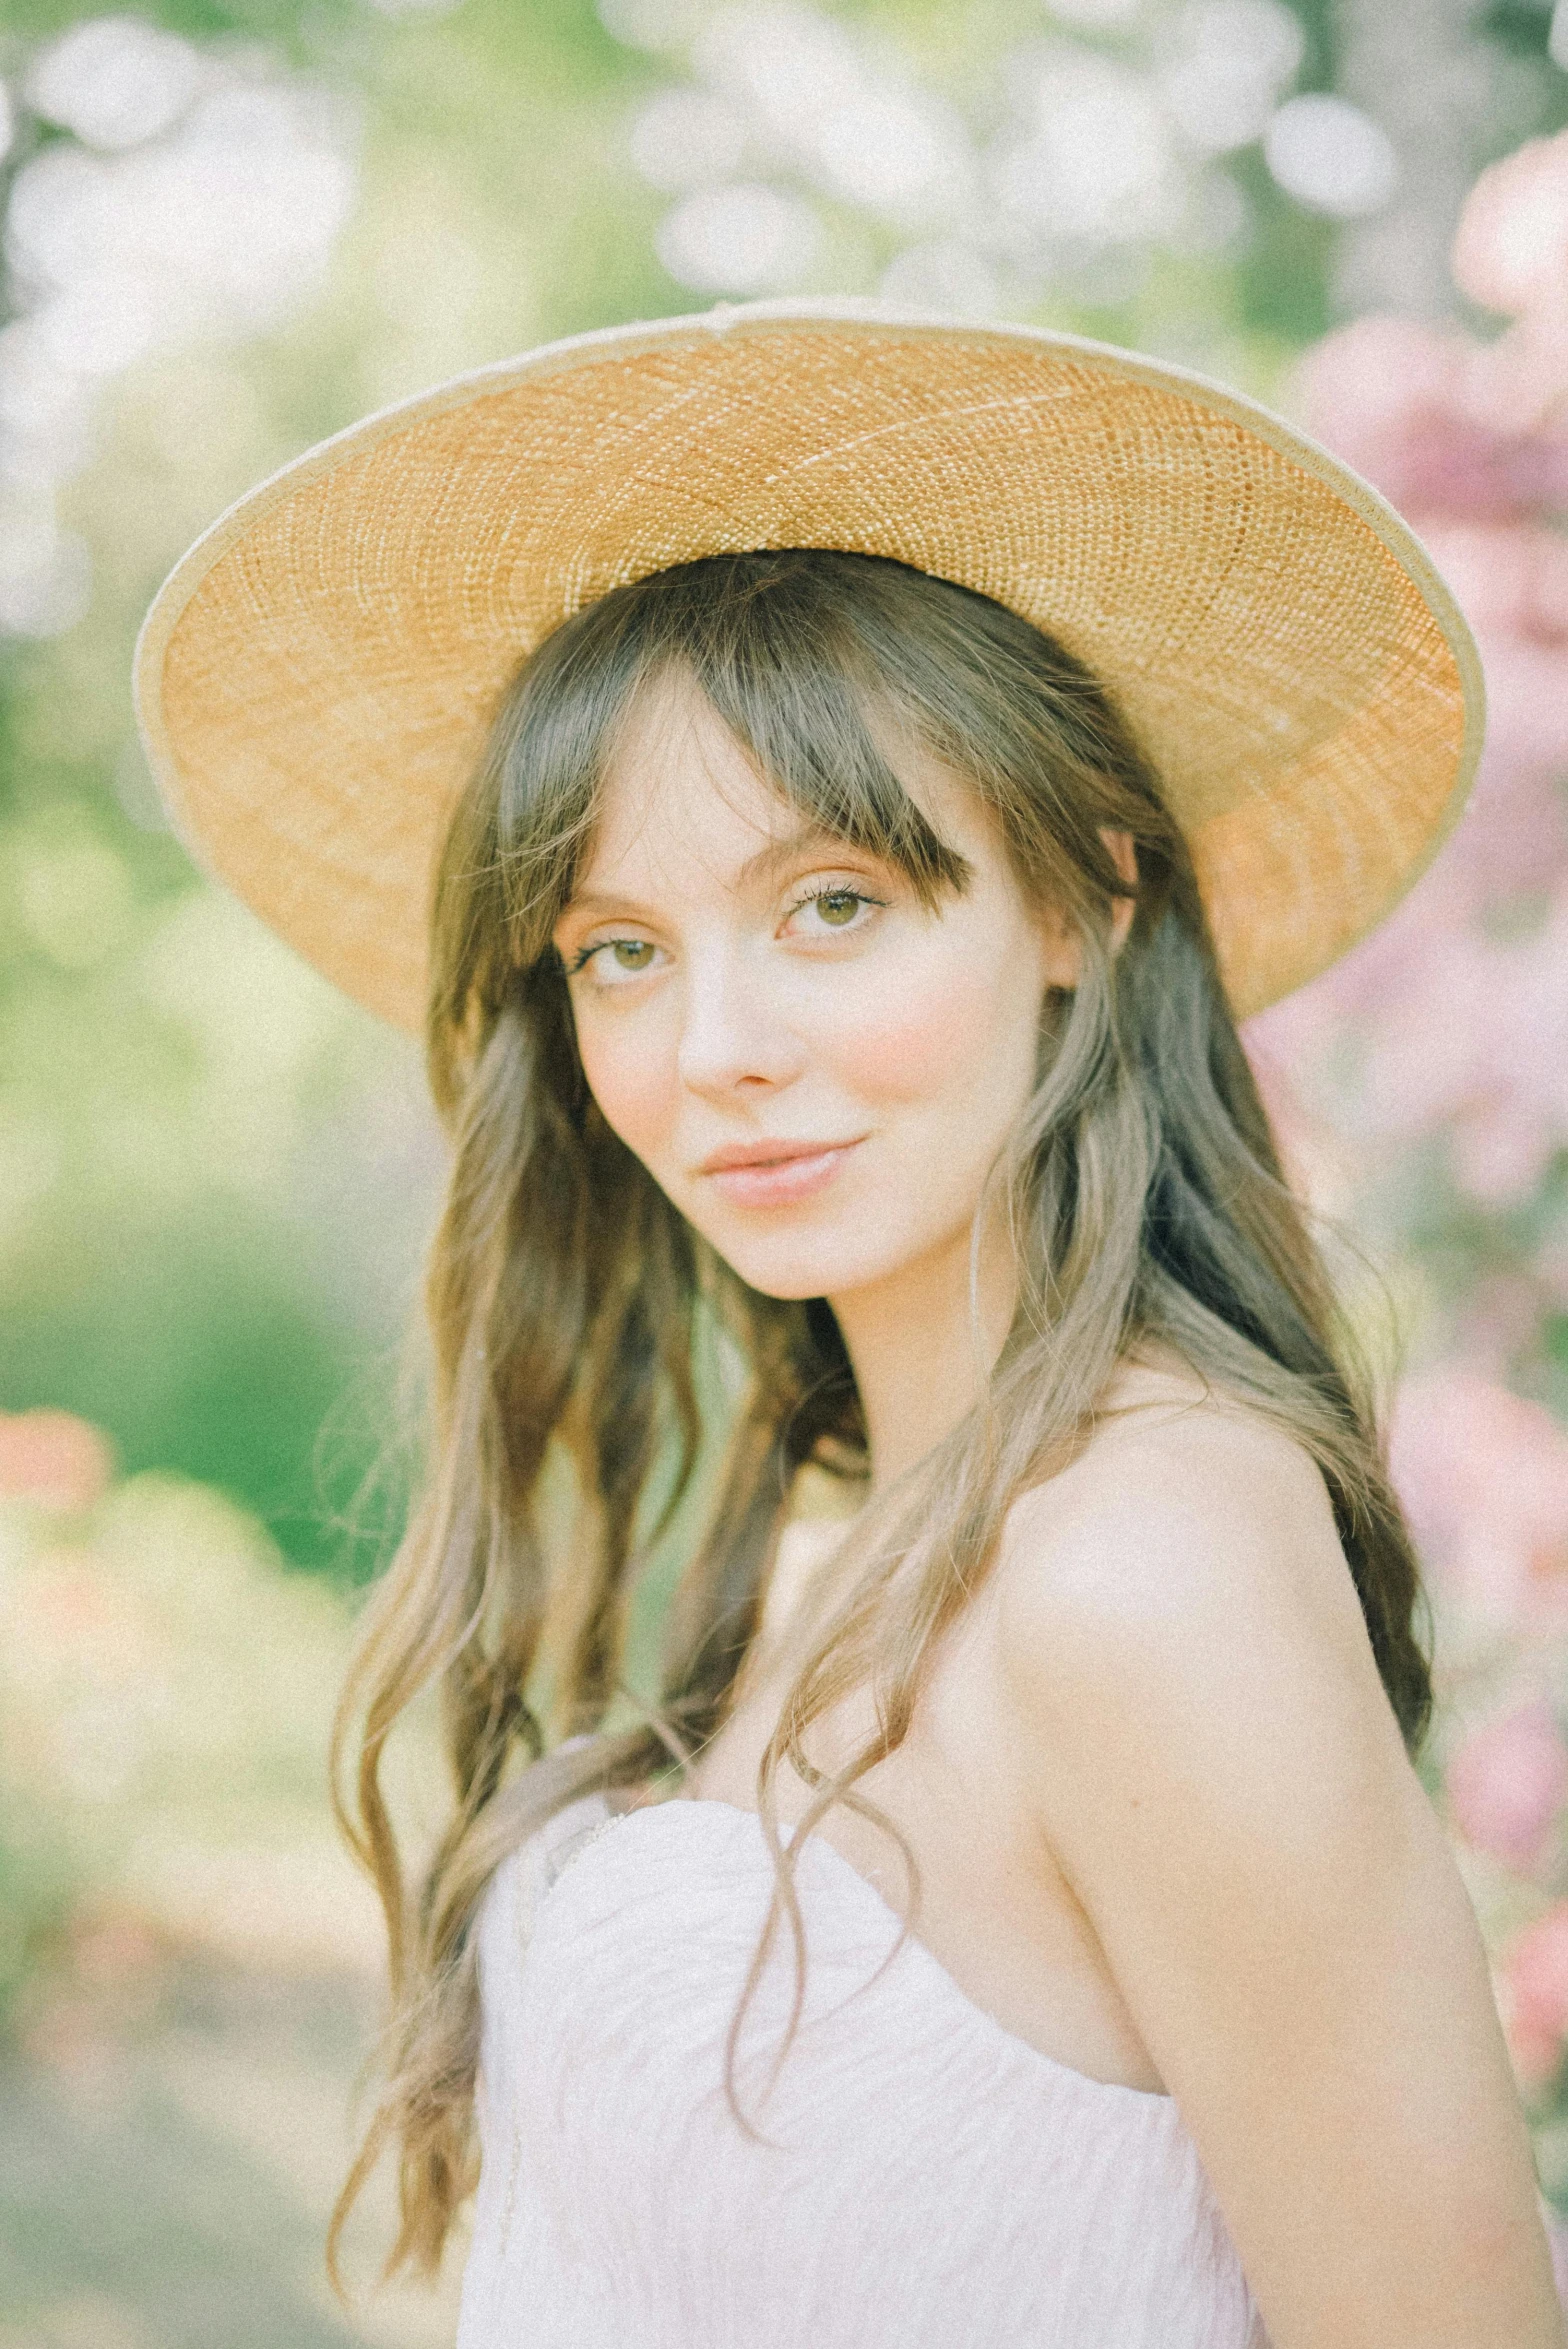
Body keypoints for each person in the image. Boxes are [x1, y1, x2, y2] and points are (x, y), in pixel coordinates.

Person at [135, 299, 1567, 2348]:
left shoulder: (1143, 1557)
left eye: (832, 905)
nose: (713, 1048)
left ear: (1082, 901)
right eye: (620, 950)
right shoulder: (839, 1537)